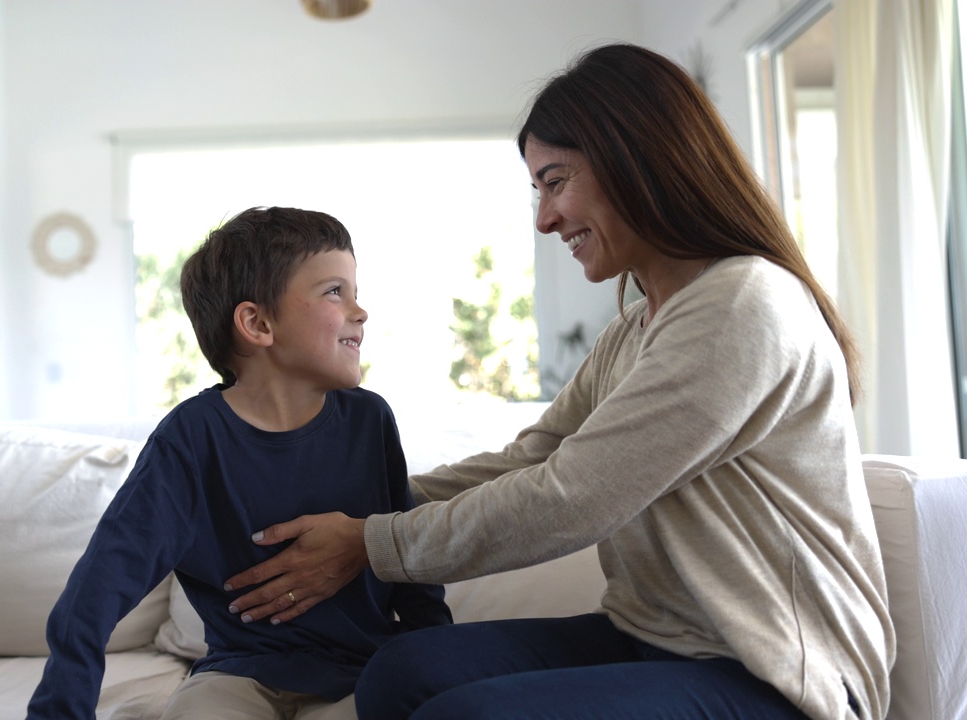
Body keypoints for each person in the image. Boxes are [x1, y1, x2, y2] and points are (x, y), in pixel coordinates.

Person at [222, 44, 895, 720]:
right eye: (537, 190)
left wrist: (370, 544)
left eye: (556, 181)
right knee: (400, 672)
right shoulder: (632, 332)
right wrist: (354, 504)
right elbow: (532, 458)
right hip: (657, 640)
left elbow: (571, 497)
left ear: (637, 159)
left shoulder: (743, 303)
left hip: (777, 674)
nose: (544, 219)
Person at [25, 206, 451, 720]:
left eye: (355, 292)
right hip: (237, 674)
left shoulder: (371, 421)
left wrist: (440, 664)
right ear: (257, 323)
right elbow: (101, 583)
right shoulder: (191, 438)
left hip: (363, 674)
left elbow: (411, 565)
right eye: (335, 291)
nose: (360, 312)